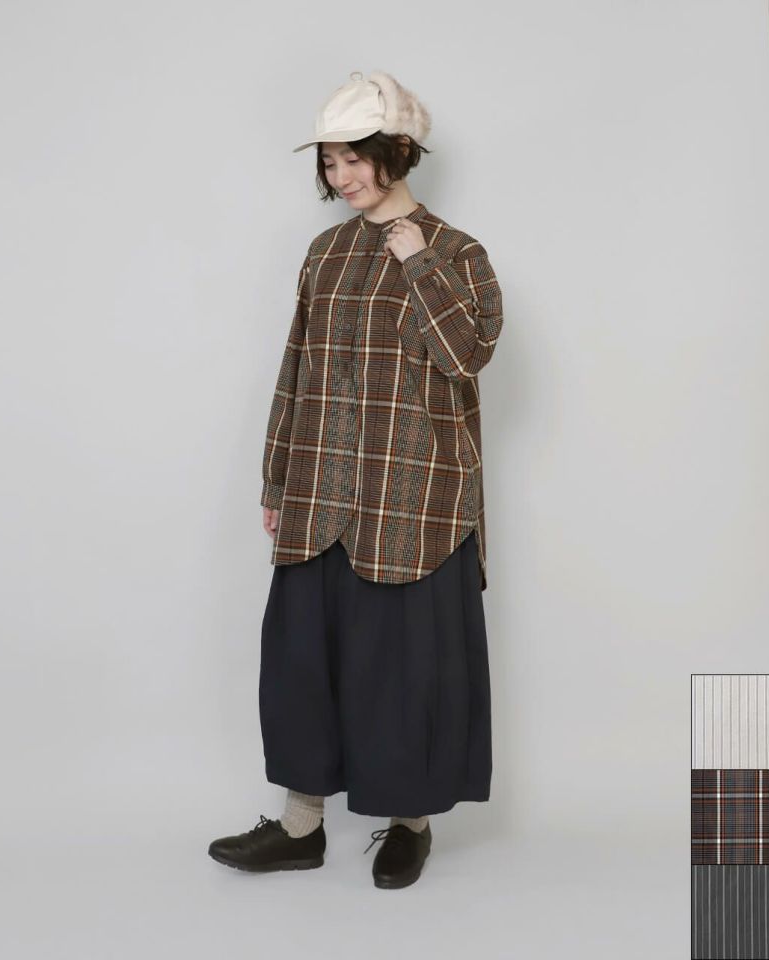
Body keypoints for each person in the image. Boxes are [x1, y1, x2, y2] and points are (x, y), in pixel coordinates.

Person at [208, 70, 504, 890]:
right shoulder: (325, 253)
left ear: (397, 151)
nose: (339, 177)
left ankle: (409, 824)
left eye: (351, 158)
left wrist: (419, 263)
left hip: (415, 497)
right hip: (321, 487)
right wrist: (276, 480)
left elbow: (468, 356)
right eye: (330, 162)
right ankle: (300, 828)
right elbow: (296, 368)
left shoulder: (458, 253)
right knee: (301, 662)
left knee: (402, 671)